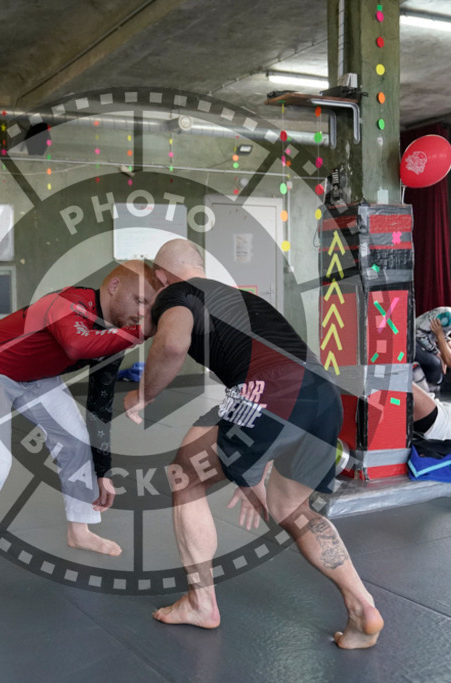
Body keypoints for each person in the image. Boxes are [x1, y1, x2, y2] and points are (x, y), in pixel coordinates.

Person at [123, 239, 383, 649]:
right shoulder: (237, 297)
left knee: (184, 474)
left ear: (160, 276)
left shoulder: (177, 292)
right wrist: (249, 472)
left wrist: (144, 395)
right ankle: (362, 606)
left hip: (272, 391)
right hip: (323, 395)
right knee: (293, 509)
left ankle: (200, 602)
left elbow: (172, 344)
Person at [0, 261, 162, 581]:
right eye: (140, 301)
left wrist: (103, 471)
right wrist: (138, 333)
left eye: (149, 308)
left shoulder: (116, 338)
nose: (142, 313)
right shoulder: (68, 303)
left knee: (76, 438)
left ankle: (79, 530)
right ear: (113, 287)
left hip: (36, 378)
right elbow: (75, 343)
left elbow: (99, 405)